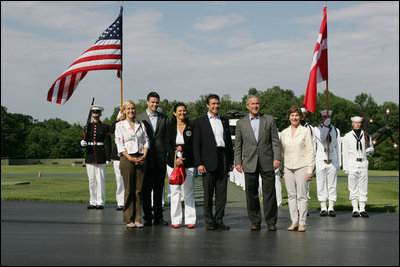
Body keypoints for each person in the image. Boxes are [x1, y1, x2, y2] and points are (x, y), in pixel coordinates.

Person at [234, 95, 281, 231]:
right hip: (249, 162)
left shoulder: (269, 120)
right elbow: (238, 144)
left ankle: (271, 222)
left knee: (269, 193)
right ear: (247, 106)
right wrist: (238, 161)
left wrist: (277, 158)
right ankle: (255, 221)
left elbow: (275, 141)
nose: (255, 106)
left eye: (257, 103)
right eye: (252, 104)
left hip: (267, 161)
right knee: (251, 194)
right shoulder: (241, 123)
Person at [193, 94, 234, 231]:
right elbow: (196, 144)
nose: (216, 106)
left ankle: (219, 220)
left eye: (217, 103)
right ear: (207, 105)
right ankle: (209, 221)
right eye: (213, 104)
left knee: (222, 194)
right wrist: (199, 163)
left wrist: (230, 160)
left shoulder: (224, 120)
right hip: (207, 160)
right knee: (208, 193)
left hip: (223, 157)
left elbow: (228, 143)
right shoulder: (200, 121)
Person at [115, 100, 150, 228]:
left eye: (133, 108)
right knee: (129, 189)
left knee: (138, 190)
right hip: (127, 159)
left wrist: (144, 156)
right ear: (124, 111)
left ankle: (137, 218)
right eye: (128, 109)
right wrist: (130, 158)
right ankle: (128, 218)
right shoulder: (120, 125)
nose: (131, 111)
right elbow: (120, 144)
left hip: (141, 157)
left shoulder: (141, 124)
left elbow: (146, 141)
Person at [136, 92, 169, 226]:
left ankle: (159, 218)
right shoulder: (139, 117)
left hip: (160, 159)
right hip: (145, 158)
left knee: (158, 190)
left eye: (157, 102)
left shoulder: (164, 118)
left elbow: (167, 138)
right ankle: (148, 217)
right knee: (145, 190)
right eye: (152, 102)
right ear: (147, 102)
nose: (155, 104)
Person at [280, 106, 315, 232]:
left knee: (302, 195)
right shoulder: (284, 133)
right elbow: (281, 153)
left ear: (300, 117)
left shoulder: (305, 131)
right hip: (288, 167)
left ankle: (302, 222)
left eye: (296, 115)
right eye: (292, 115)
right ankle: (294, 221)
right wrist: (282, 170)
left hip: (302, 166)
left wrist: (310, 170)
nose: (294, 118)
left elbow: (310, 151)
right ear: (288, 117)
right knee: (291, 195)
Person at [166, 103, 196, 229]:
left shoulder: (191, 127)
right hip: (172, 163)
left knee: (188, 191)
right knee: (175, 191)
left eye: (184, 111)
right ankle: (176, 219)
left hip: (188, 162)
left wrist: (183, 155)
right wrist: (176, 158)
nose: (182, 113)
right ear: (174, 113)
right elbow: (167, 143)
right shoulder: (170, 127)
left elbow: (194, 144)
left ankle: (190, 219)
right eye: (179, 111)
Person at [80, 105, 111, 210]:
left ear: (100, 114)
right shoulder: (87, 126)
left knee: (100, 180)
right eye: (94, 113)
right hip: (90, 155)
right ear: (92, 114)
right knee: (92, 181)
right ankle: (92, 201)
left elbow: (108, 143)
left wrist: (108, 157)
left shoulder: (105, 126)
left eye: (97, 113)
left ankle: (100, 202)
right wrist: (82, 143)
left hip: (101, 155)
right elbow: (83, 139)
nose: (95, 115)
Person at [342, 116, 374, 218]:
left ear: (361, 124)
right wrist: (345, 167)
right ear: (352, 124)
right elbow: (345, 153)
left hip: (363, 162)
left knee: (363, 186)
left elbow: (371, 148)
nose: (357, 124)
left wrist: (370, 150)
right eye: (355, 123)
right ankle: (355, 209)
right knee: (353, 187)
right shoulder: (347, 136)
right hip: (352, 163)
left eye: (359, 123)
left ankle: (363, 209)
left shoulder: (367, 135)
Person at [313, 110, 341, 217]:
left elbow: (338, 146)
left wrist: (339, 162)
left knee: (332, 184)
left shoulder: (336, 130)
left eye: (328, 117)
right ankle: (323, 206)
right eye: (324, 117)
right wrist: (325, 126)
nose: (326, 118)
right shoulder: (317, 129)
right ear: (322, 118)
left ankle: (331, 206)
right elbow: (322, 137)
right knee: (321, 183)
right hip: (321, 158)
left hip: (332, 157)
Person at [110, 111, 124, 210]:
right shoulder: (117, 124)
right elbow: (111, 129)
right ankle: (120, 202)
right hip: (118, 155)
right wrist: (118, 118)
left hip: (129, 154)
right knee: (119, 180)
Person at [301, 107, 314, 202]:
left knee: (306, 183)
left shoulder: (310, 128)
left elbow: (313, 144)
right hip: (295, 157)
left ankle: (304, 206)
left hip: (306, 158)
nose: (301, 116)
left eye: (303, 114)